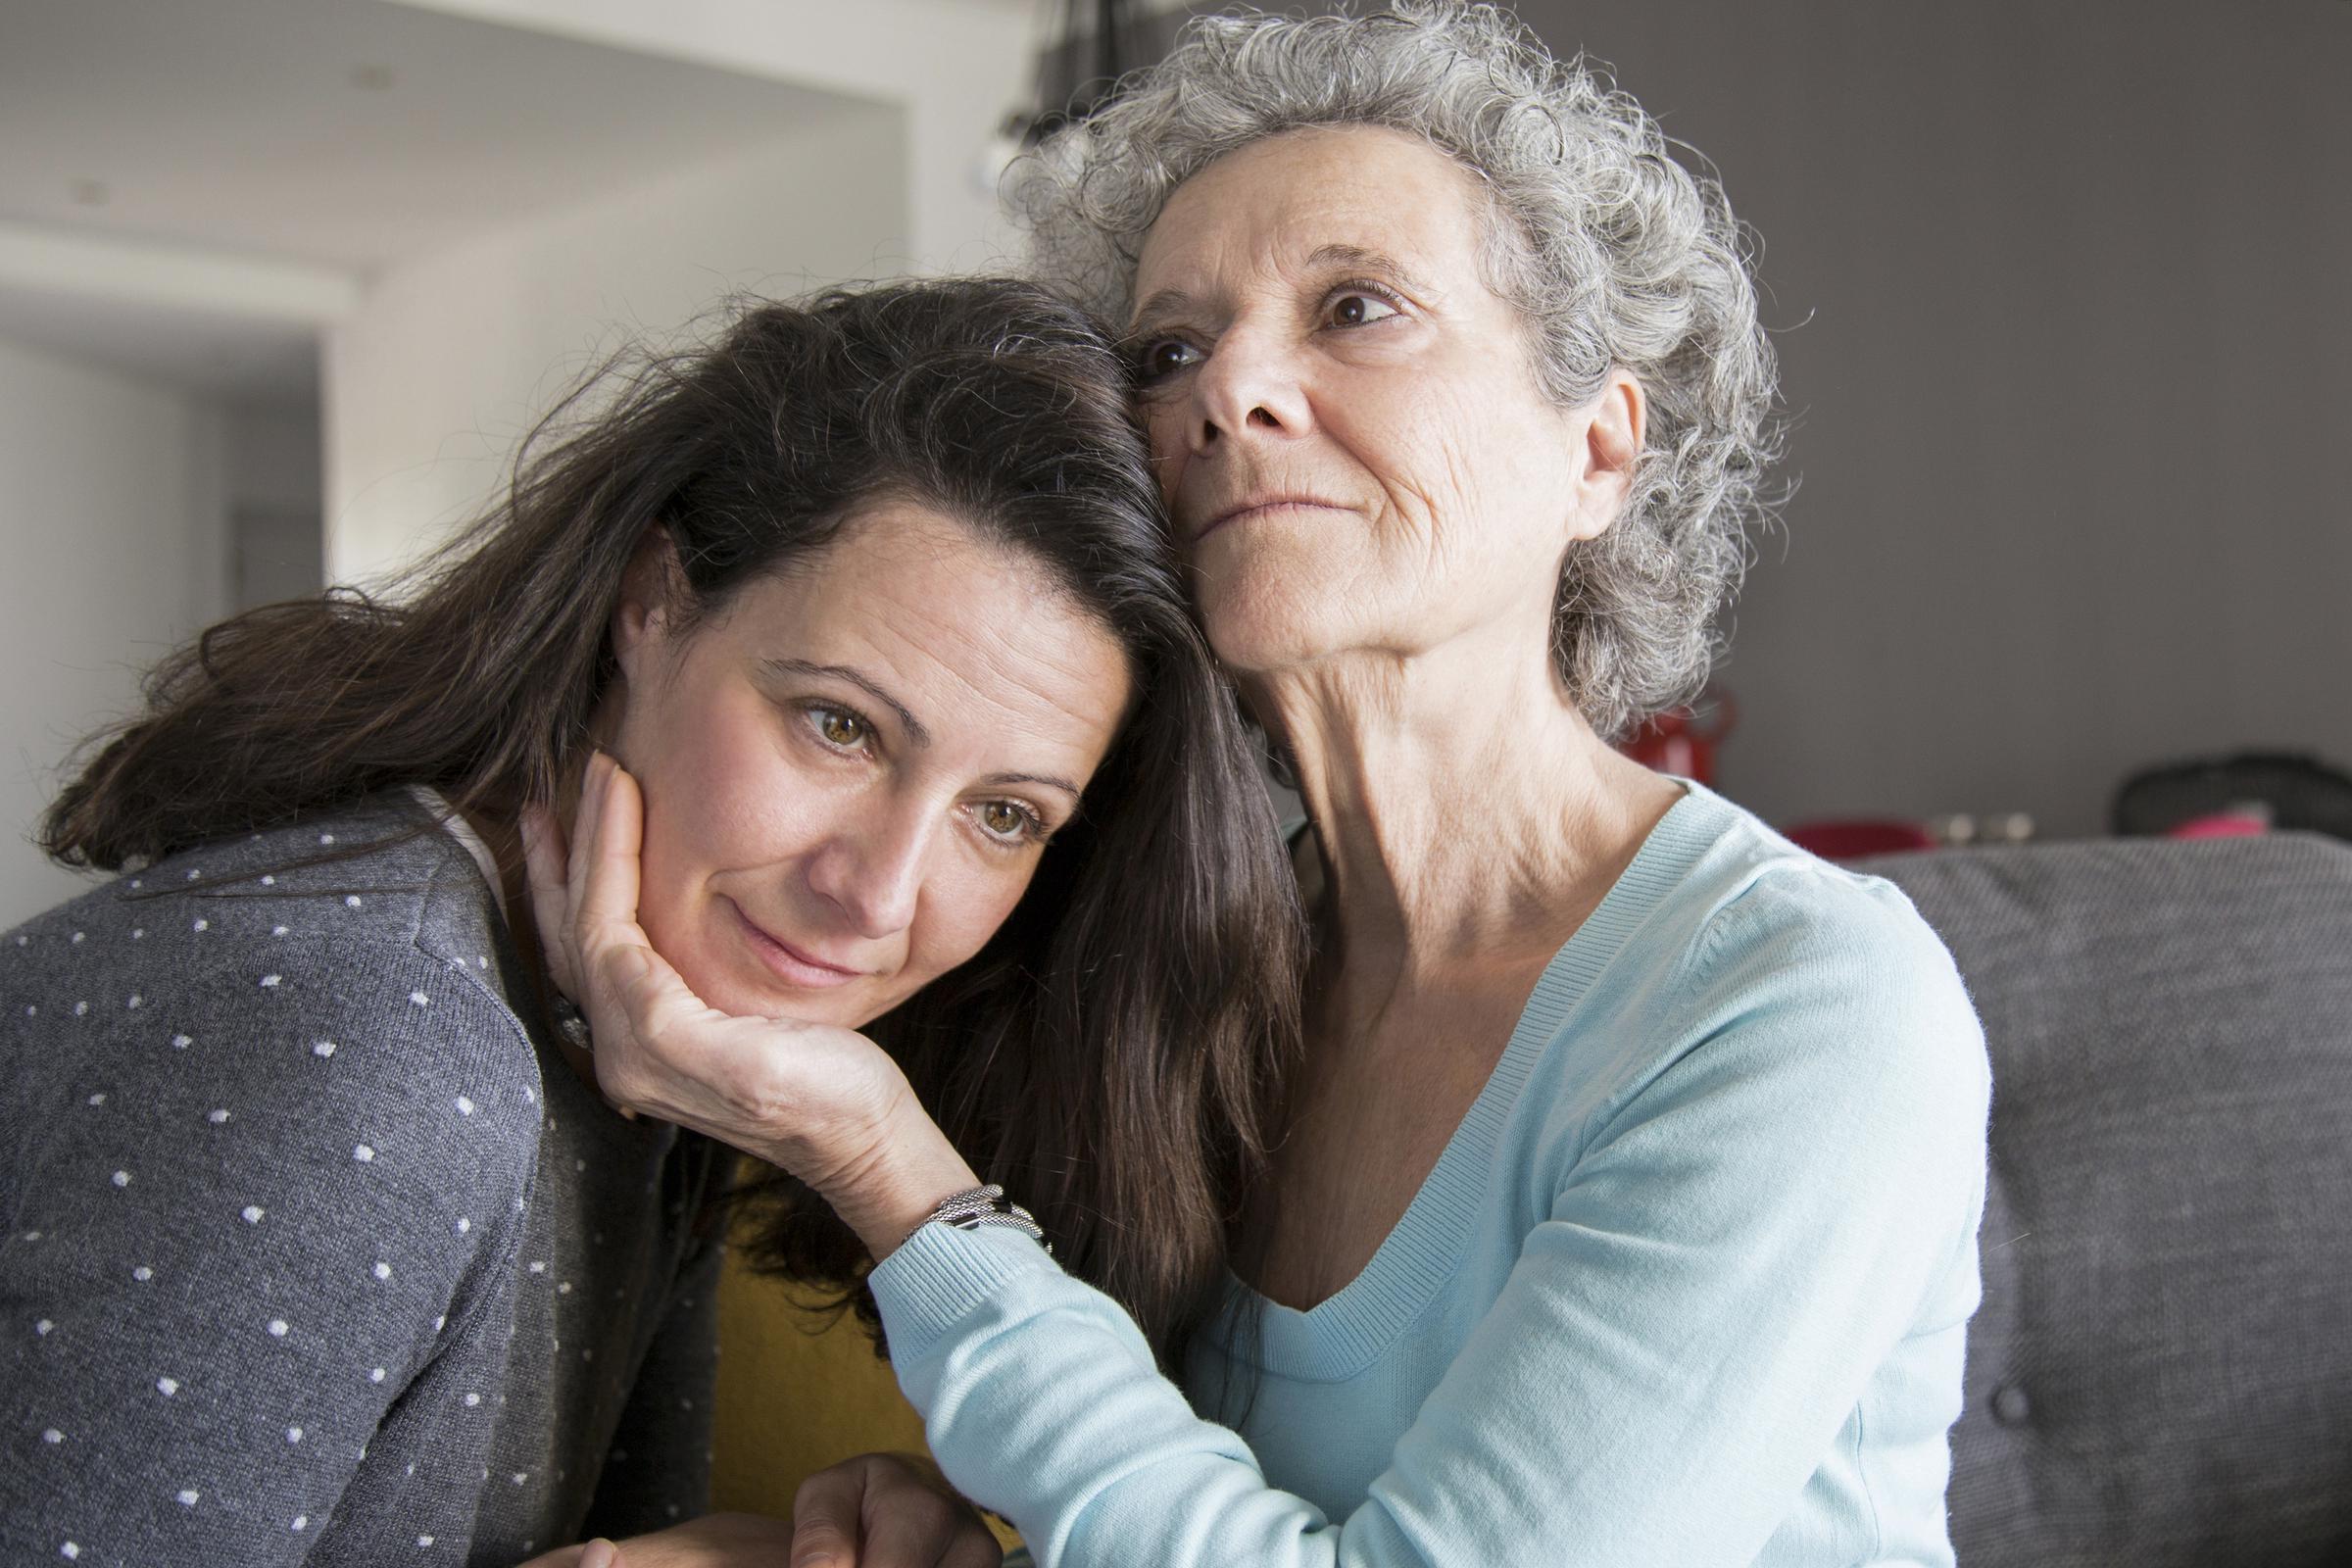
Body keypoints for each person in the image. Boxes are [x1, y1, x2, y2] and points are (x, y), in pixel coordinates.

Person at [550, 6, 1995, 1568]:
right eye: (1168, 350)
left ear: (1600, 448)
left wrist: (889, 1173)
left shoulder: (1803, 1003)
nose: (1227, 392)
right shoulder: (1184, 942)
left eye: (1356, 308)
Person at [0, 279, 1301, 1567]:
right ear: (650, 599)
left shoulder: (652, 1027)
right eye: (837, 725)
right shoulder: (379, 1055)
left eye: (1005, 816)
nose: (881, 892)